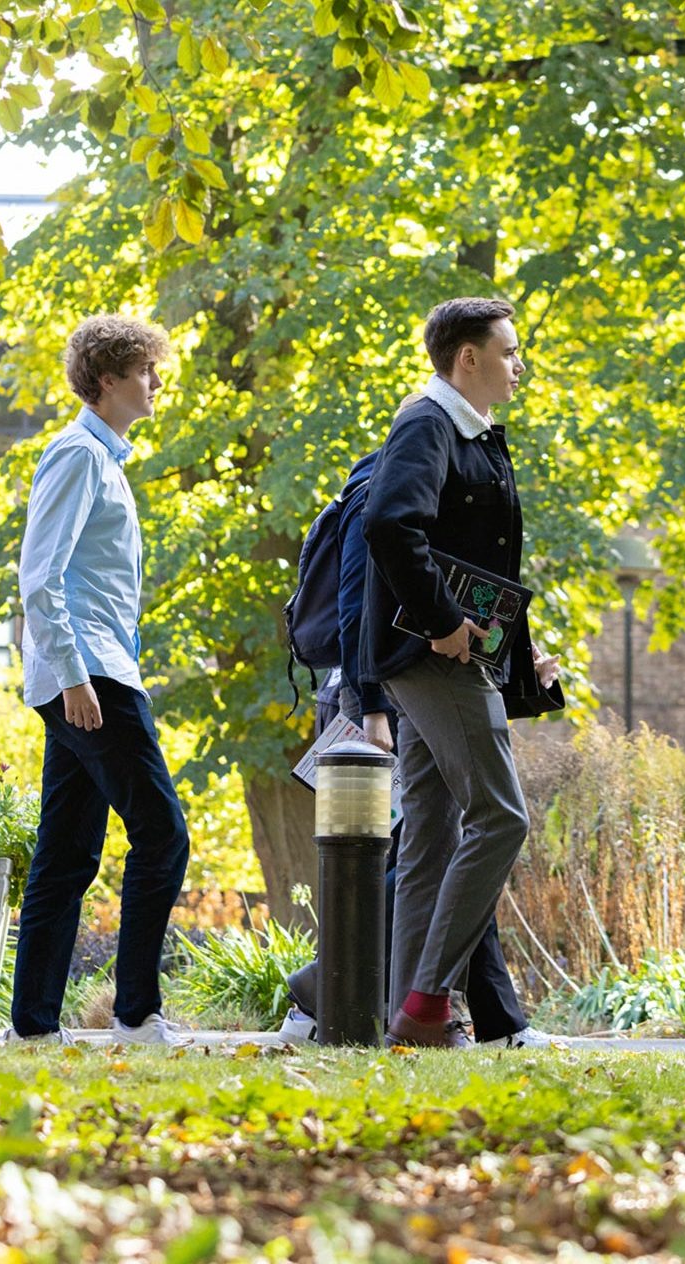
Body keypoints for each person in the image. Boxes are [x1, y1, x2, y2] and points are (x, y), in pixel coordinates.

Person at [276, 436, 555, 1049]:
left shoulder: (435, 489)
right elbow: (358, 601)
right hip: (370, 698)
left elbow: (464, 589)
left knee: (432, 846)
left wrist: (516, 660)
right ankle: (370, 994)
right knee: (431, 850)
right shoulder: (386, 483)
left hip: (397, 689)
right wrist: (369, 707)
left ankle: (385, 1000)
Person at [360, 297, 560, 1048]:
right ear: (466, 358)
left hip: (457, 656)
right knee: (502, 818)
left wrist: (521, 652)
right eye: (508, 352)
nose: (518, 365)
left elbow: (483, 564)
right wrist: (445, 624)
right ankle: (426, 1002)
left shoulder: (473, 436)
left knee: (433, 841)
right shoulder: (429, 423)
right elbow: (390, 525)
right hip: (432, 659)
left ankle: (403, 1021)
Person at [7, 315, 194, 1047]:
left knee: (68, 852)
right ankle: (137, 1013)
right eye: (145, 370)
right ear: (107, 379)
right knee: (162, 834)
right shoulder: (78, 455)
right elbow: (40, 578)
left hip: (97, 671)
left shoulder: (105, 459)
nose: (156, 383)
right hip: (91, 678)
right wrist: (76, 677)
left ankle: (30, 1026)